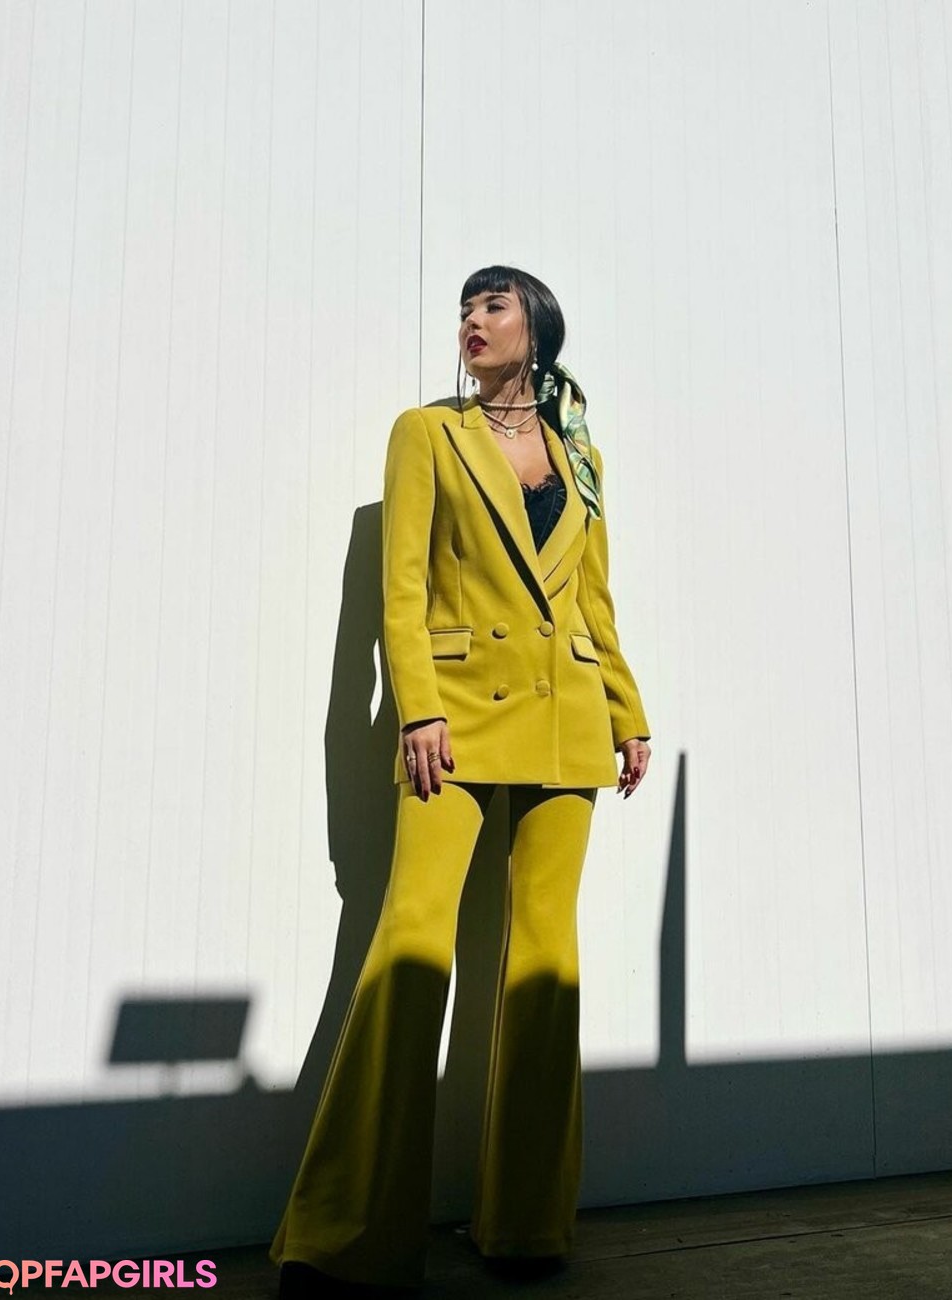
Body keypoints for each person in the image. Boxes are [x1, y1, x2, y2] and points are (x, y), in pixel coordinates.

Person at [269, 265, 652, 1297]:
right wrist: (418, 707)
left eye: (494, 305)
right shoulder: (426, 434)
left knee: (545, 969)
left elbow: (595, 599)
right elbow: (400, 587)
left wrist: (627, 710)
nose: (472, 322)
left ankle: (526, 1226)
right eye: (465, 310)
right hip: (458, 715)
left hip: (568, 716)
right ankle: (343, 1237)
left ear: (538, 328)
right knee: (411, 946)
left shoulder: (581, 454)